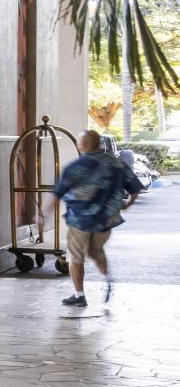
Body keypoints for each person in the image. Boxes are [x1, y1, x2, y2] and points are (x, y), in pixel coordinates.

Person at [52, 129, 143, 308]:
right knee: (96, 252)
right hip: (106, 219)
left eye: (79, 142)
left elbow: (58, 193)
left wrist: (41, 215)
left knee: (76, 256)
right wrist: (126, 205)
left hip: (80, 220)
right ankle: (108, 279)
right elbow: (135, 189)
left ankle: (79, 295)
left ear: (84, 144)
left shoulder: (76, 167)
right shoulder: (117, 164)